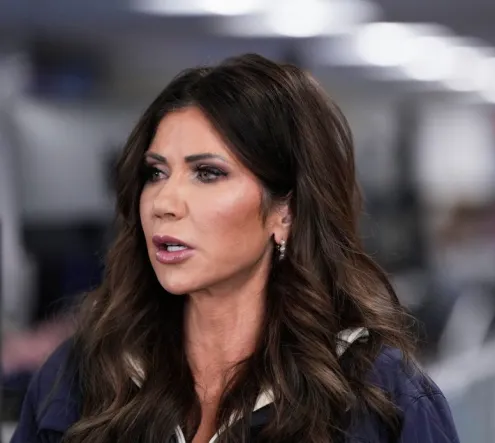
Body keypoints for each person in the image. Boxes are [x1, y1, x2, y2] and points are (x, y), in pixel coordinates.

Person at [12, 54, 459, 443]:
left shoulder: (382, 398)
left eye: (207, 173)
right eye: (156, 173)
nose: (164, 203)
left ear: (286, 210)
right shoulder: (82, 376)